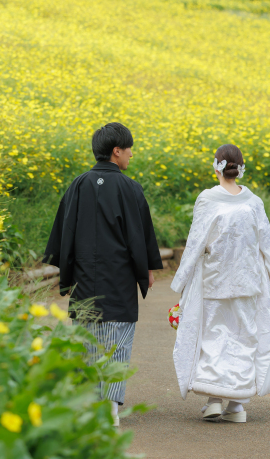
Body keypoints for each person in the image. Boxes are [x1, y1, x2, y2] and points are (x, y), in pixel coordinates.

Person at [44, 122, 163, 427]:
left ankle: (88, 404)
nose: (132, 155)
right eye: (129, 149)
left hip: (84, 278)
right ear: (116, 151)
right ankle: (109, 406)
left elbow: (64, 232)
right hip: (119, 280)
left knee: (87, 340)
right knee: (117, 341)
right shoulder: (130, 188)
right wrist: (146, 269)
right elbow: (140, 235)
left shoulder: (79, 184)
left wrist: (66, 273)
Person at [170, 144, 270, 423]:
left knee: (214, 337)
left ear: (216, 165)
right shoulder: (254, 202)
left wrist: (181, 281)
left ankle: (214, 399)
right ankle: (237, 406)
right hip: (248, 280)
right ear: (240, 168)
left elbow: (196, 242)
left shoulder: (208, 199)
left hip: (215, 279)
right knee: (244, 337)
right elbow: (267, 242)